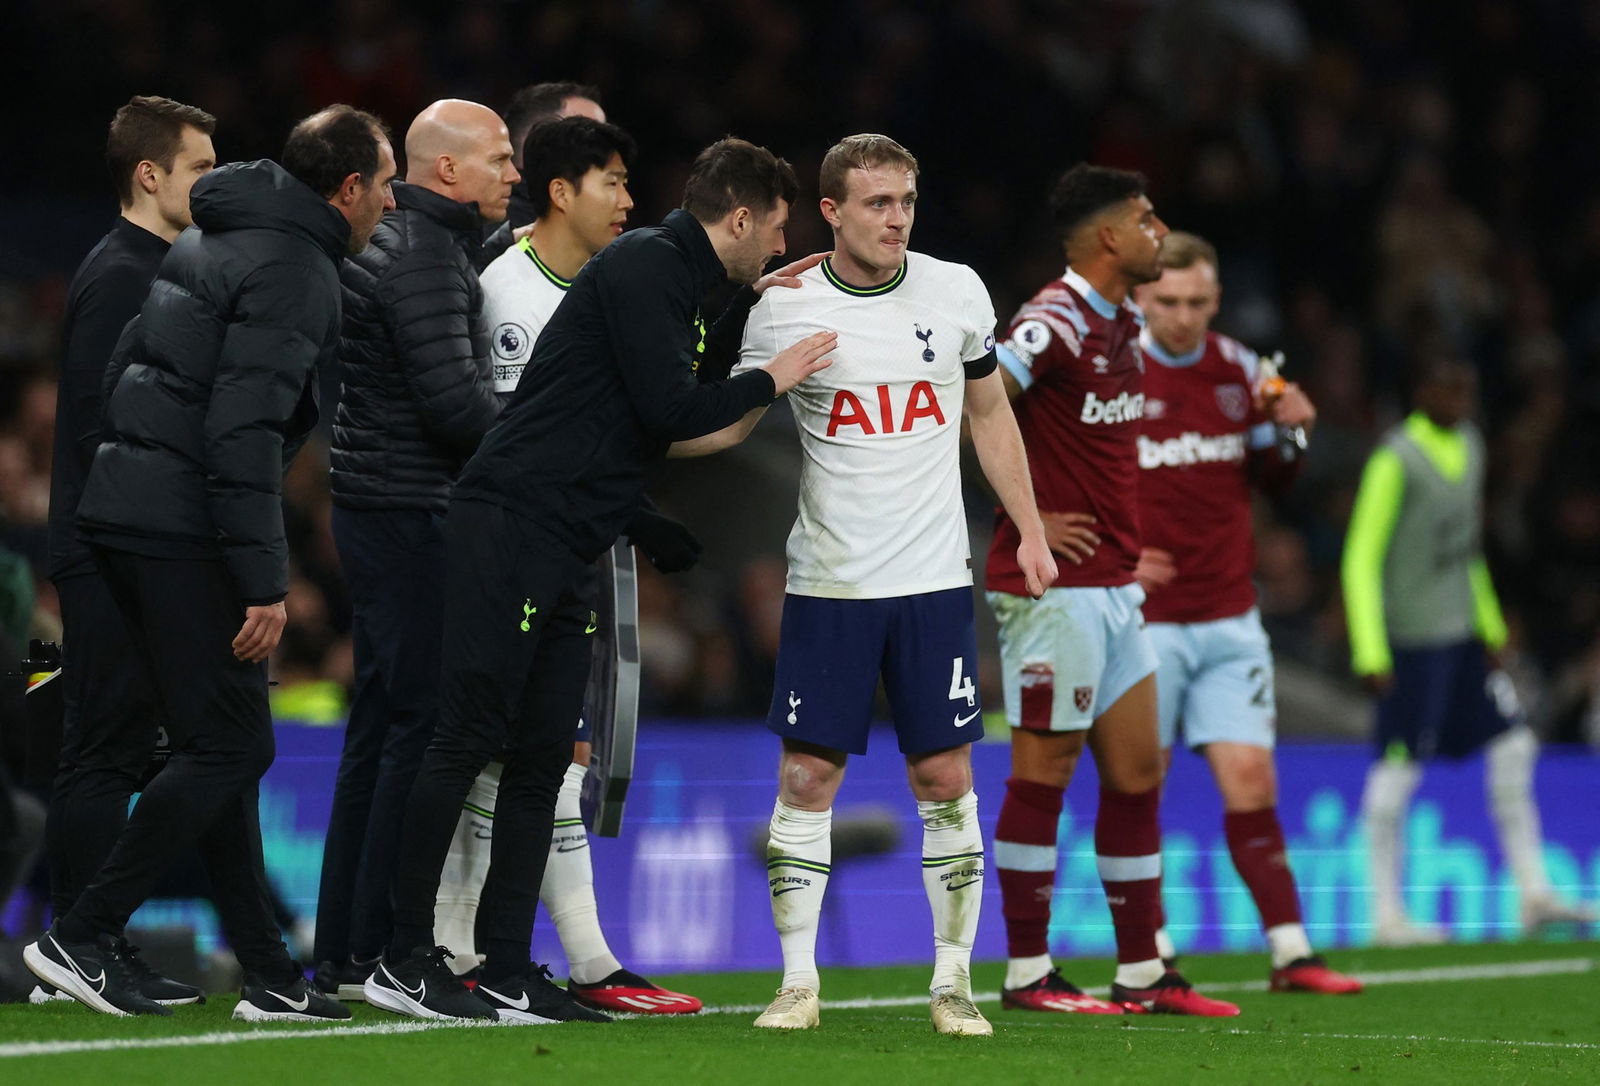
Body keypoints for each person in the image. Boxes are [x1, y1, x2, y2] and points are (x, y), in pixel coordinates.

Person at [363, 137, 835, 1024]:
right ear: (740, 217)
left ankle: (506, 965)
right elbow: (669, 411)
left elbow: (631, 409)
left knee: (544, 755)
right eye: (774, 231)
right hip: (512, 526)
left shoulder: (678, 279)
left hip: (569, 533)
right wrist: (773, 375)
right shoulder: (646, 266)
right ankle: (402, 957)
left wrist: (745, 302)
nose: (778, 246)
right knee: (464, 743)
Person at [24, 105, 397, 1021]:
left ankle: (265, 972)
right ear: (347, 189)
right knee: (225, 745)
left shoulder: (217, 239)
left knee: (210, 749)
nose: (392, 202)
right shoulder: (292, 265)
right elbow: (243, 433)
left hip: (145, 517)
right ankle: (85, 933)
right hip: (177, 529)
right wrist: (263, 577)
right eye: (387, 184)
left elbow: (133, 389)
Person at [679, 133, 1055, 1037]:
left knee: (945, 775)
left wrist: (1030, 529)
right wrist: (632, 442)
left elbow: (989, 409)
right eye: (877, 203)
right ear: (831, 211)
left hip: (932, 582)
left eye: (906, 202)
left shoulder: (956, 290)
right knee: (807, 777)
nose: (896, 220)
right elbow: (727, 427)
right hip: (830, 583)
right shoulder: (784, 308)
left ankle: (954, 984)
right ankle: (798, 983)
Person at [435, 116, 701, 1014]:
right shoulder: (503, 288)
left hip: (587, 530)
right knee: (483, 744)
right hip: (512, 536)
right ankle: (442, 945)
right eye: (614, 179)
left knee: (560, 749)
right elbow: (497, 435)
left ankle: (527, 956)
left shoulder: (609, 284)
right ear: (563, 187)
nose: (629, 199)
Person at [987, 165, 1237, 1017]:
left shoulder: (1124, 317)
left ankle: (1142, 970)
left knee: (1138, 773)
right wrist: (1026, 519)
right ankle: (1027, 973)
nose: (1158, 228)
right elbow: (968, 406)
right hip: (1052, 586)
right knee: (1044, 774)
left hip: (1114, 586)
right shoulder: (1049, 321)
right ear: (1108, 237)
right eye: (1145, 217)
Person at [312, 98, 517, 1001]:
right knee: (419, 735)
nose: (513, 173)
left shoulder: (401, 245)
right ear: (448, 172)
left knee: (381, 734)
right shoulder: (430, 256)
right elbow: (458, 410)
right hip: (409, 514)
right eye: (501, 158)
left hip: (375, 505)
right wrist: (551, 440)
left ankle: (350, 952)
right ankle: (395, 951)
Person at [1132, 232, 1360, 994]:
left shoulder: (1239, 369)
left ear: (1218, 299)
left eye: (1198, 302)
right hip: (1144, 620)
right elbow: (1065, 475)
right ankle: (1152, 956)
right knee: (1143, 786)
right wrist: (1106, 558)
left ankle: (1291, 951)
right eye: (1168, 302)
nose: (1183, 318)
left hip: (1229, 614)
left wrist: (1292, 427)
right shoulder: (1109, 372)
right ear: (1139, 296)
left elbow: (1274, 476)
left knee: (1252, 781)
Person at [41, 95, 216, 1008]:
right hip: (110, 549)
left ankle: (85, 944)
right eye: (198, 168)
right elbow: (103, 432)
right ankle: (81, 946)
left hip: (120, 546)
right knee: (103, 751)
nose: (212, 183)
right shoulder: (123, 274)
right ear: (150, 174)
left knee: (115, 748)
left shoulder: (155, 267)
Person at [1343, 358, 1596, 945]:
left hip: (1459, 641)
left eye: (1466, 388)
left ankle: (1533, 894)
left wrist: (1487, 624)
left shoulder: (1472, 447)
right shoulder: (1395, 459)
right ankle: (1385, 915)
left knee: (1513, 745)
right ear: (1420, 390)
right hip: (1410, 643)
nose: (1458, 398)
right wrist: (1370, 651)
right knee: (1399, 768)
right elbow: (1361, 557)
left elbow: (1466, 552)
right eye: (1446, 386)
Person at [477, 82, 606, 267]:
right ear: (539, 139)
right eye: (589, 136)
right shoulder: (485, 227)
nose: (607, 152)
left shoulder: (591, 221)